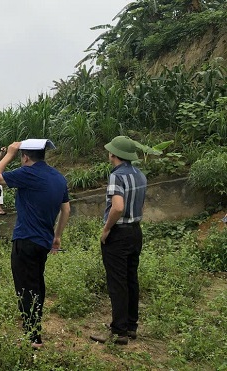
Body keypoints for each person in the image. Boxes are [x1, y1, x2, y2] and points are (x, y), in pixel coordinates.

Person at [0, 140, 71, 350]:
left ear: (25, 157)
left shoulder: (27, 173)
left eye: (21, 155)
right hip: (43, 241)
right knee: (36, 283)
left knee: (25, 287)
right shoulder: (58, 177)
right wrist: (57, 236)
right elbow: (66, 209)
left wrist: (9, 154)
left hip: (25, 239)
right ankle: (33, 329)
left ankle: (33, 337)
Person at [90, 136, 147, 346]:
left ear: (114, 154)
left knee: (117, 282)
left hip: (118, 233)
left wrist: (106, 230)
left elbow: (118, 206)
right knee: (131, 278)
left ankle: (119, 331)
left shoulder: (117, 177)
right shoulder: (140, 175)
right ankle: (131, 326)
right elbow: (140, 207)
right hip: (135, 232)